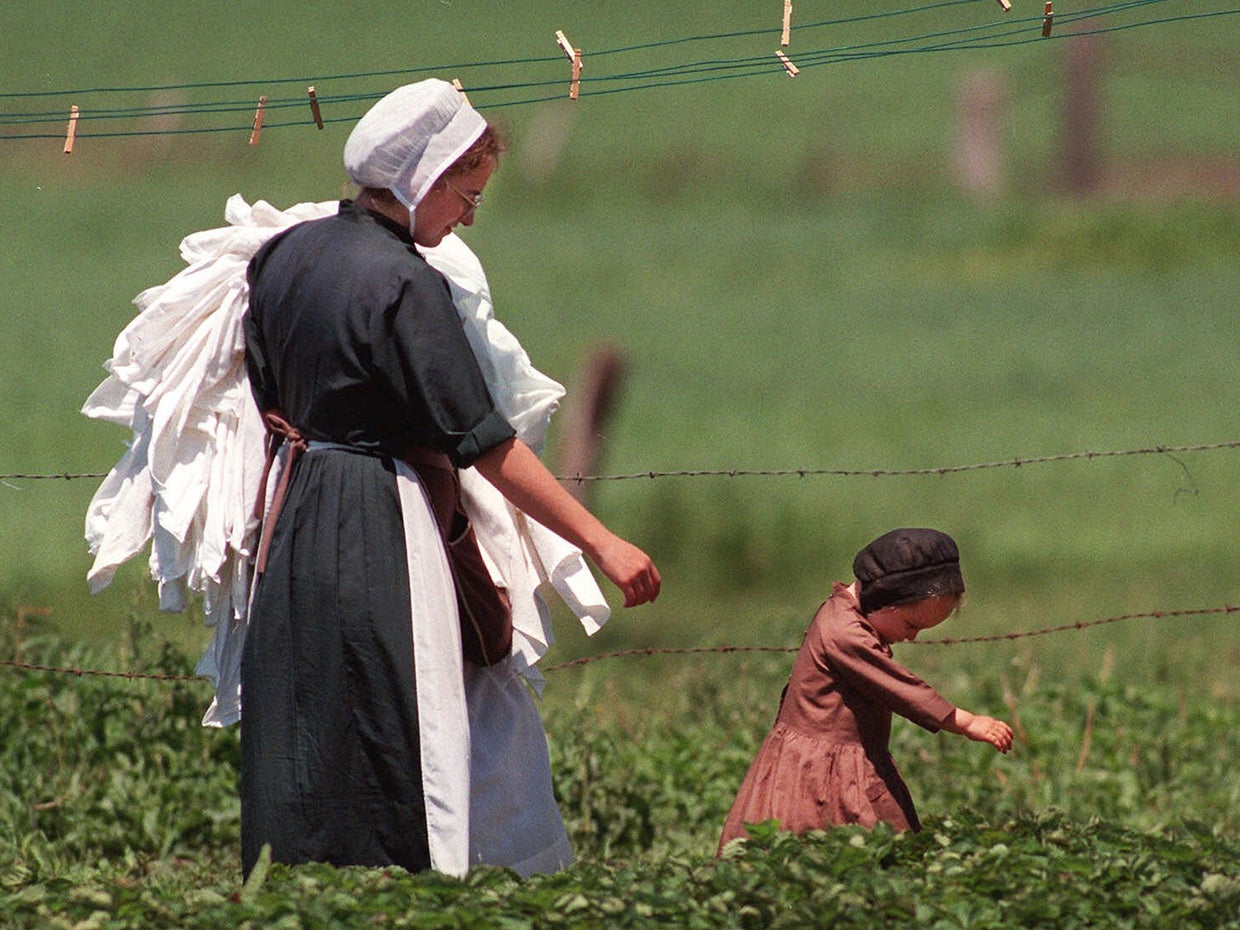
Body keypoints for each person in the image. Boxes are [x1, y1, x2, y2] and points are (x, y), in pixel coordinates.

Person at [240, 80, 660, 878]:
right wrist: (603, 542)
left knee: (306, 709)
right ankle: (401, 886)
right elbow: (486, 444)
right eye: (465, 194)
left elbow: (266, 397)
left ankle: (296, 887)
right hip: (382, 513)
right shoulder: (406, 283)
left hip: (292, 516)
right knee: (397, 710)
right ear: (420, 182)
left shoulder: (282, 256)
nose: (468, 215)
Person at [716, 528, 1012, 853]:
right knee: (814, 851)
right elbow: (900, 688)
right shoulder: (845, 635)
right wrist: (965, 722)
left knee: (861, 859)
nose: (911, 638)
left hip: (843, 760)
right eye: (911, 626)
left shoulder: (847, 615)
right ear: (885, 600)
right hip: (812, 771)